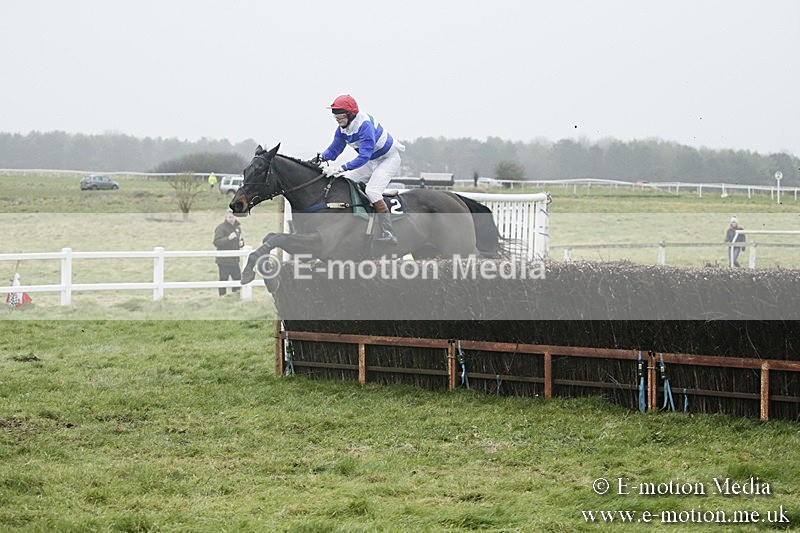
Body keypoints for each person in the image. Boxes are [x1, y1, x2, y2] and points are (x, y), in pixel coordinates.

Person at [315, 94, 404, 245]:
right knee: (346, 182)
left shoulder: (365, 125)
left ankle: (389, 232)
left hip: (388, 159)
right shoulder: (342, 129)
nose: (337, 119)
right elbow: (334, 149)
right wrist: (320, 159)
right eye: (335, 115)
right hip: (372, 160)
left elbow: (363, 156)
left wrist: (341, 168)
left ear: (350, 114)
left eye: (341, 115)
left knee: (372, 191)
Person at [213, 209, 244, 295]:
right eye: (230, 217)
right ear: (226, 217)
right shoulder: (221, 228)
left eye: (233, 217)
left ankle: (236, 294)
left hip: (235, 259)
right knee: (223, 279)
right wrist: (228, 238)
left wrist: (241, 243)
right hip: (224, 260)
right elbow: (216, 242)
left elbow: (241, 239)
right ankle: (222, 296)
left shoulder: (237, 228)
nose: (232, 219)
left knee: (238, 278)